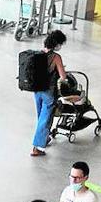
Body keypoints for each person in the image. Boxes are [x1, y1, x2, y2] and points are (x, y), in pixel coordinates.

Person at [31, 30, 69, 158]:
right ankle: (36, 148)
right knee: (45, 119)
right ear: (57, 44)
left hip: (37, 90)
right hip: (48, 92)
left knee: (41, 117)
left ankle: (44, 138)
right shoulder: (56, 57)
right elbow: (63, 77)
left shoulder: (38, 54)